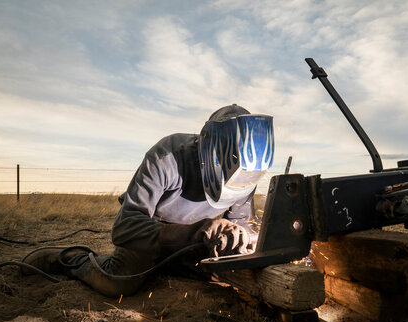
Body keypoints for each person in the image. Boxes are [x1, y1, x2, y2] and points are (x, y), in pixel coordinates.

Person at [21, 104, 274, 297]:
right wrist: (199, 231)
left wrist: (238, 240)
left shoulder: (246, 177)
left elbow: (246, 228)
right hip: (152, 234)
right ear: (209, 149)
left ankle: (165, 267)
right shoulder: (169, 155)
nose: (237, 187)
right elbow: (125, 228)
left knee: (220, 277)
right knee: (119, 282)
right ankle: (69, 259)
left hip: (194, 242)